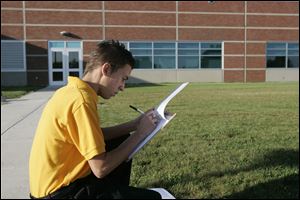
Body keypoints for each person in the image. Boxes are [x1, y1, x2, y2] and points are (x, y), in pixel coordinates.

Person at [29, 40, 161, 199]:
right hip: (60, 193)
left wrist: (134, 125)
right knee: (154, 197)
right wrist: (140, 134)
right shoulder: (81, 101)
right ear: (106, 69)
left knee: (120, 140)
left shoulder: (71, 91)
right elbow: (101, 168)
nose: (122, 87)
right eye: (123, 78)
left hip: (51, 186)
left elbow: (94, 135)